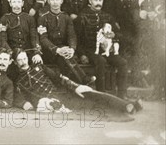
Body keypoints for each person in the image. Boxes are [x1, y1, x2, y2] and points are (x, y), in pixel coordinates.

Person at [13, 49, 141, 115]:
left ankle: (126, 105)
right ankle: (124, 107)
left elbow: (59, 77)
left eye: (24, 58)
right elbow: (19, 97)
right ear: (15, 62)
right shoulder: (18, 80)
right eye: (20, 60)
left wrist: (75, 86)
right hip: (51, 101)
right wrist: (26, 104)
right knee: (90, 105)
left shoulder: (40, 67)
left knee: (90, 93)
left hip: (63, 93)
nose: (23, 62)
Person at [37, 0, 95, 85]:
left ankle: (73, 85)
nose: (55, 2)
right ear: (48, 1)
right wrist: (57, 50)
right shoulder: (43, 18)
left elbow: (72, 36)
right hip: (49, 51)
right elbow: (43, 39)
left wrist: (72, 49)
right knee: (64, 56)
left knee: (64, 57)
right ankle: (83, 79)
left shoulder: (66, 17)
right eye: (52, 0)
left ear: (61, 1)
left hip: (63, 50)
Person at [78, 0, 128, 98]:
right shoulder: (82, 16)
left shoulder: (108, 17)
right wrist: (82, 54)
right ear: (90, 1)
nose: (98, 3)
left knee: (122, 63)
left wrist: (114, 35)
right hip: (90, 50)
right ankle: (101, 94)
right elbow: (77, 39)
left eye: (100, 0)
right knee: (101, 61)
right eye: (95, 0)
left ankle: (122, 94)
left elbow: (119, 34)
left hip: (106, 50)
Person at [138, 0, 165, 100]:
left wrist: (159, 15)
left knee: (160, 59)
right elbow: (133, 8)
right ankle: (154, 90)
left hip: (159, 30)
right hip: (144, 31)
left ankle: (160, 91)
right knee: (150, 59)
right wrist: (139, 13)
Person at [0, 0, 42, 68]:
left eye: (19, 2)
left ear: (22, 3)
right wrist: (10, 52)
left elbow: (34, 37)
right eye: (14, 2)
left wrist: (37, 52)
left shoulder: (29, 18)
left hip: (27, 52)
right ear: (10, 4)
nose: (16, 4)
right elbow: (2, 38)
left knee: (37, 64)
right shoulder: (5, 19)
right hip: (11, 52)